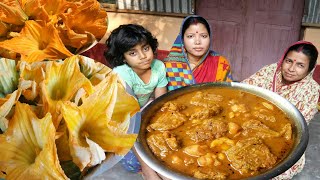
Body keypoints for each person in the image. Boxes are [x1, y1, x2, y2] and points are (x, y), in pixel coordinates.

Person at [242, 41, 319, 179]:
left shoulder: (311, 90)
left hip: (283, 142)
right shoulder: (270, 71)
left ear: (310, 69)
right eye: (288, 61)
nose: (291, 68)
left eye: (300, 65)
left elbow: (297, 128)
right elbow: (243, 90)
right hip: (246, 125)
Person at [104, 24, 168, 180]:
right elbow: (128, 116)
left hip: (142, 111)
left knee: (161, 151)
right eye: (133, 53)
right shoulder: (121, 74)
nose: (143, 56)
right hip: (120, 119)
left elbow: (160, 104)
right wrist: (147, 166)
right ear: (123, 58)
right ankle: (146, 170)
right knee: (133, 163)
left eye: (145, 48)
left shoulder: (158, 67)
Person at [164, 15, 233, 91]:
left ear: (210, 38)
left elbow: (227, 93)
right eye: (190, 36)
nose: (197, 42)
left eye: (203, 36)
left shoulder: (220, 63)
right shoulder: (170, 66)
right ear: (182, 39)